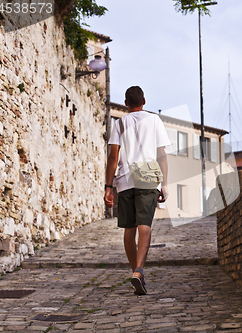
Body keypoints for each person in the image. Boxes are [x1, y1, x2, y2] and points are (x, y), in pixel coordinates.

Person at [104, 86, 170, 295]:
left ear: (126, 103)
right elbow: (161, 155)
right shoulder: (154, 120)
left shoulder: (119, 123)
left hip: (125, 180)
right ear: (144, 101)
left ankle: (135, 271)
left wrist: (108, 187)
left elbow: (113, 157)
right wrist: (165, 184)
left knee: (129, 229)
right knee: (145, 227)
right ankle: (139, 271)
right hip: (148, 179)